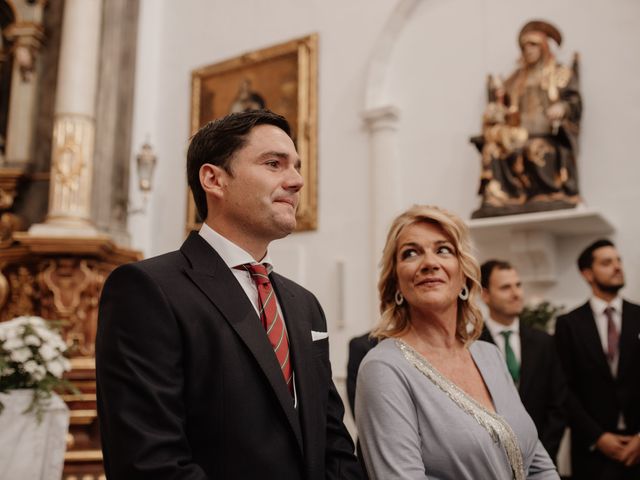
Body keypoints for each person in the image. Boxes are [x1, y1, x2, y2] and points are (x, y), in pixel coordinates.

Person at [96, 110, 363, 479]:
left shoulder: (305, 305)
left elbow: (333, 442)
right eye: (274, 164)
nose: (297, 181)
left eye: (296, 167)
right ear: (214, 179)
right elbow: (148, 462)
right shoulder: (148, 290)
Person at [355, 205, 558, 479]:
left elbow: (538, 465)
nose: (429, 263)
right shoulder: (383, 368)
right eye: (410, 253)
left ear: (464, 274)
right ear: (396, 283)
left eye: (443, 250)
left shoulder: (489, 354)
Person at [472, 20, 582, 218]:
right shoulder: (516, 78)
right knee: (492, 150)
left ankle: (546, 194)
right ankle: (501, 198)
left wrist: (562, 107)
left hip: (546, 134)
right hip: (517, 135)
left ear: (544, 46)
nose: (528, 50)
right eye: (524, 46)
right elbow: (502, 104)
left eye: (533, 45)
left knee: (535, 148)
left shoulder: (560, 73)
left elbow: (573, 100)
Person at [555, 239, 640, 479]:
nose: (617, 267)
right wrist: (597, 437)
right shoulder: (568, 325)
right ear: (588, 274)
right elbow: (564, 389)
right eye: (607, 262)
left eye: (618, 260)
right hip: (592, 453)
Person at [479, 260, 566, 462]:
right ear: (485, 295)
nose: (516, 293)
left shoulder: (544, 342)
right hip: (490, 461)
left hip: (541, 458)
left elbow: (558, 405)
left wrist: (539, 459)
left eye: (518, 285)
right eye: (505, 287)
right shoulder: (471, 344)